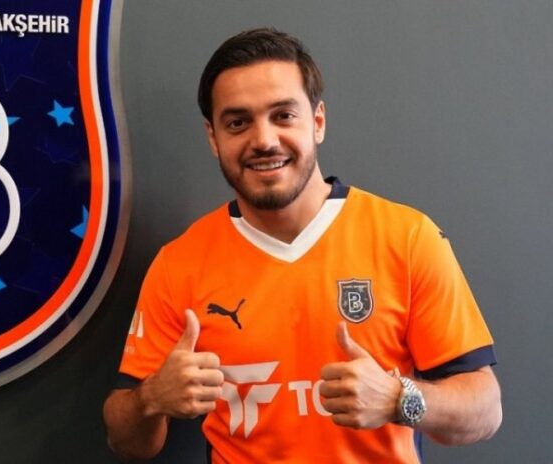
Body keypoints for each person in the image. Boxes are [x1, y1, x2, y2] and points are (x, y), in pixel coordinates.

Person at [103, 27, 502, 463]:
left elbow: (485, 410)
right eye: (237, 123)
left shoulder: (407, 238)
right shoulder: (178, 264)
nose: (263, 140)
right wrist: (151, 398)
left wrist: (397, 398)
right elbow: (128, 442)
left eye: (283, 115)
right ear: (213, 138)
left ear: (317, 121)